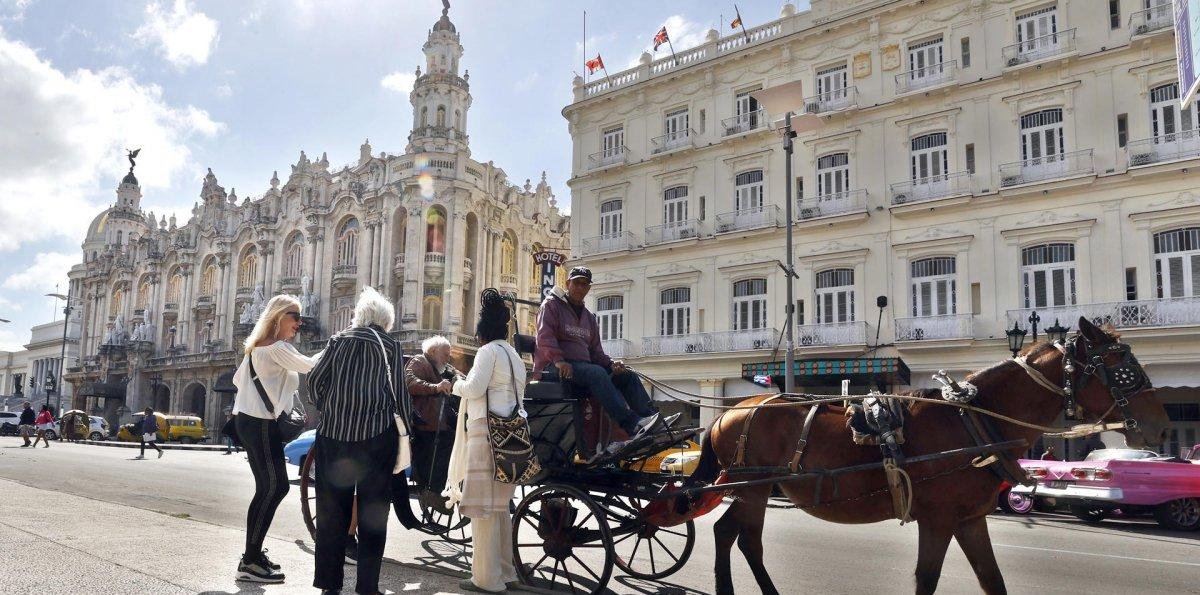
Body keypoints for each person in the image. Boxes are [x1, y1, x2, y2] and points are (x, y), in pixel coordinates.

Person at [306, 286, 402, 595]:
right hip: (377, 439)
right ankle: (367, 586)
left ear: (359, 316)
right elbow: (399, 395)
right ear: (385, 320)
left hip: (335, 437)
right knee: (374, 514)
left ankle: (329, 584)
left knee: (332, 513)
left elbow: (314, 381)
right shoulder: (391, 347)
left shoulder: (338, 341)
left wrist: (329, 407)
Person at [232, 294, 321, 584]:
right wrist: (339, 345)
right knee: (276, 486)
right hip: (259, 424)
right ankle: (250, 560)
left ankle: (253, 555)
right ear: (277, 317)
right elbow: (312, 366)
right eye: (294, 315)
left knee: (267, 488)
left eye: (300, 316)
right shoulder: (278, 348)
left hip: (247, 421)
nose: (299, 322)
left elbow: (237, 381)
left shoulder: (256, 348)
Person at [534, 266, 678, 438]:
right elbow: (544, 336)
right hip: (554, 367)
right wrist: (558, 360)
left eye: (584, 284)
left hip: (583, 369)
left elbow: (595, 352)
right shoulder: (551, 306)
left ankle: (651, 420)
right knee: (596, 372)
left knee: (628, 376)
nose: (580, 287)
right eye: (576, 283)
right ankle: (632, 423)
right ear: (567, 283)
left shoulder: (589, 317)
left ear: (588, 288)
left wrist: (611, 364)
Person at [444, 290, 523, 593]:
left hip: (486, 433)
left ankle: (486, 579)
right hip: (511, 436)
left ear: (481, 332)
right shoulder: (514, 355)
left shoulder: (488, 352)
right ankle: (506, 572)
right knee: (500, 508)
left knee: (482, 510)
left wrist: (455, 385)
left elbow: (475, 389)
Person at [405, 335, 458, 505]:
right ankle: (433, 491)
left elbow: (459, 375)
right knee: (447, 442)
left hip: (439, 421)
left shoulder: (441, 368)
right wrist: (435, 387)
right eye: (445, 354)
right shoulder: (419, 361)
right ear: (433, 351)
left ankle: (444, 486)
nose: (448, 358)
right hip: (424, 423)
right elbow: (410, 382)